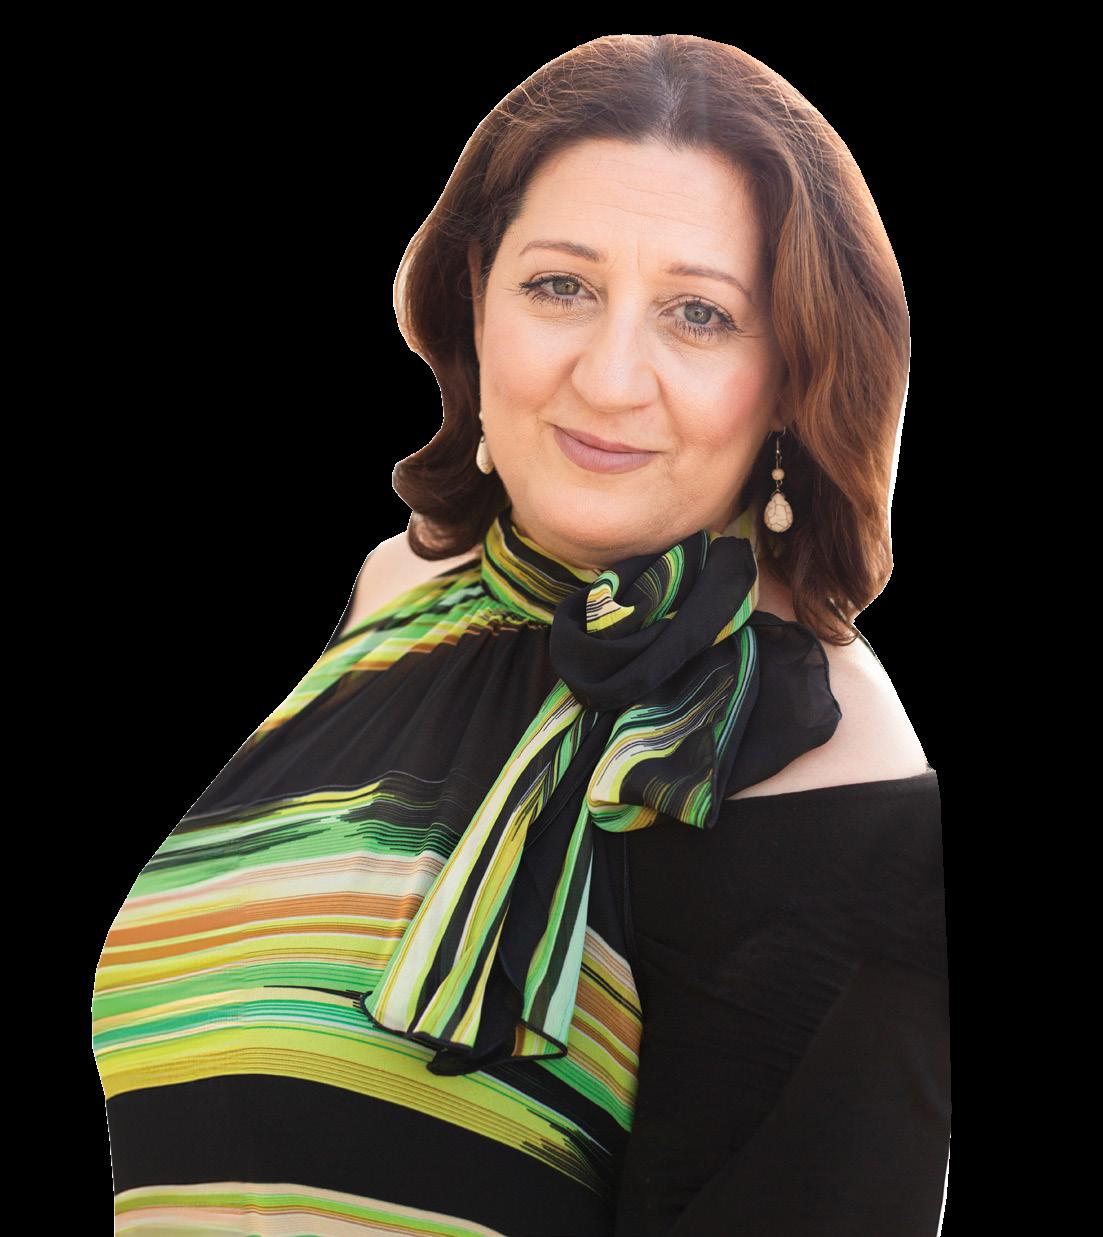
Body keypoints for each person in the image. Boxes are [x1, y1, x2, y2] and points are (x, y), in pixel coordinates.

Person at [92, 33, 949, 1237]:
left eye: (699, 314)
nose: (609, 377)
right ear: (475, 298)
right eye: (560, 288)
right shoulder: (382, 598)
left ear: (789, 376)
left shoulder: (825, 748)